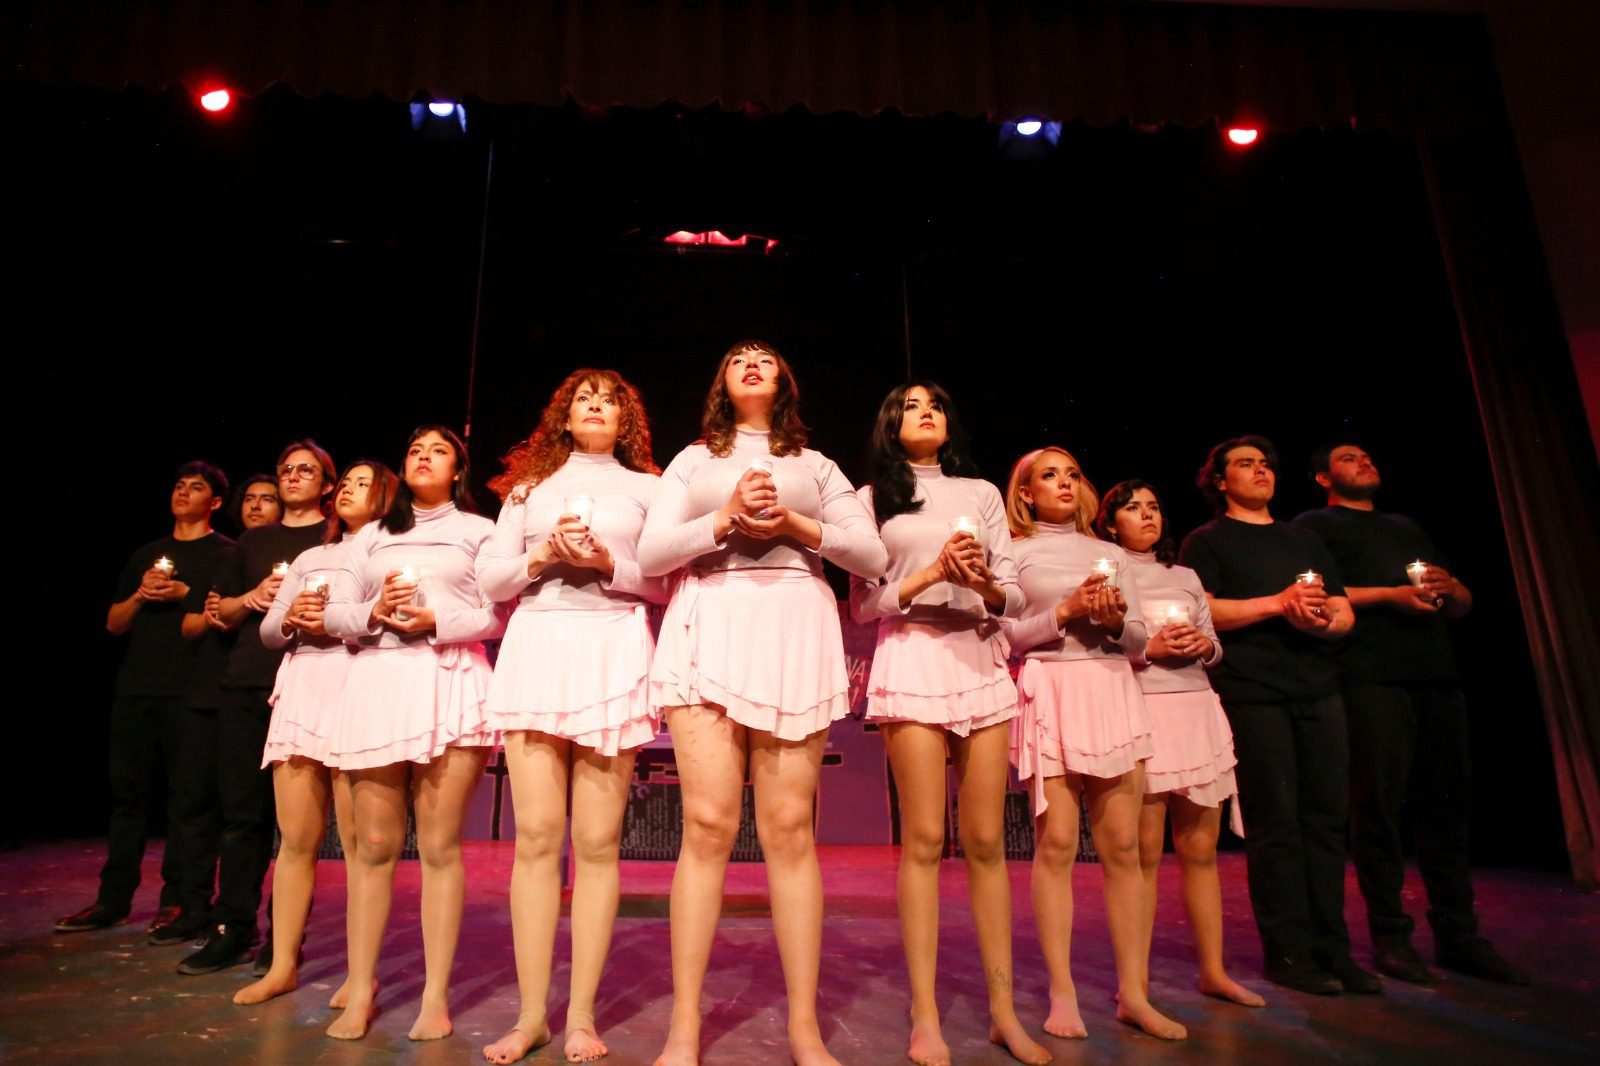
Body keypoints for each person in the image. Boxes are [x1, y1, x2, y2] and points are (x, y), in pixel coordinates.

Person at [637, 340, 887, 1066]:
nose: (750, 362)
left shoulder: (816, 465)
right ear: (721, 381)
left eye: (765, 357)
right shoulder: (692, 461)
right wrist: (724, 520)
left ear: (783, 380)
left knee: (788, 829)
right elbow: (653, 556)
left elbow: (869, 557)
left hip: (794, 628)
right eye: (736, 357)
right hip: (710, 617)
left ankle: (804, 1026)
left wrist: (793, 527)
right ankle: (685, 1026)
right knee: (709, 824)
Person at [849, 381, 1049, 1066]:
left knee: (989, 839)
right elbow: (864, 606)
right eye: (908, 404)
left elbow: (1014, 595)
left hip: (979, 655)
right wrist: (931, 571)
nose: (925, 410)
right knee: (927, 839)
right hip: (911, 655)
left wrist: (984, 582)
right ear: (890, 424)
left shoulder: (983, 492)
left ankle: (1001, 1010)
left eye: (935, 402)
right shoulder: (871, 497)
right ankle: (925, 1013)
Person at [478, 370, 665, 1064]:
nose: (595, 404)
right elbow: (491, 581)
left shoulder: (649, 488)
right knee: (535, 837)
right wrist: (541, 554)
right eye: (583, 396)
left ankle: (581, 1015)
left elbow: (665, 579)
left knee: (596, 843)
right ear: (563, 415)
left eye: (611, 397)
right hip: (537, 644)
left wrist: (606, 560)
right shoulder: (529, 491)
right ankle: (531, 1016)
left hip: (613, 645)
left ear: (627, 421)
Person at [1294, 443, 1525, 984]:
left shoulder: (1406, 526)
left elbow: (1462, 599)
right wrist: (1393, 595)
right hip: (1371, 678)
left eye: (1369, 457)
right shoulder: (1315, 526)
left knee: (1447, 808)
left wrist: (1453, 590)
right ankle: (1391, 936)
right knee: (1377, 808)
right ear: (1324, 475)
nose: (1366, 462)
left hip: (1436, 676)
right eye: (1350, 458)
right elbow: (1322, 592)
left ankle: (1458, 935)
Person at [323, 424, 506, 1042]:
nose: (424, 457)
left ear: (458, 468)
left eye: (439, 450)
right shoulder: (373, 536)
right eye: (414, 450)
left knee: (438, 845)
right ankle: (359, 988)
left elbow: (499, 613)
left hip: (451, 681)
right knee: (373, 844)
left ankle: (434, 996)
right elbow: (335, 610)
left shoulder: (482, 532)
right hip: (376, 681)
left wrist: (439, 619)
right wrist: (371, 613)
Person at [1178, 435, 1375, 995]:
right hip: (1255, 692)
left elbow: (1338, 606)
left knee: (1326, 822)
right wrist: (1277, 605)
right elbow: (1204, 610)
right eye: (1245, 464)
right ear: (1220, 480)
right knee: (1277, 826)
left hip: (1318, 687)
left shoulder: (1303, 538)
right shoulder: (1207, 541)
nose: (1260, 471)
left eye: (1266, 463)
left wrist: (1325, 624)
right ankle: (1288, 954)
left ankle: (1333, 949)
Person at [1002, 447, 1184, 1040]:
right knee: (1057, 843)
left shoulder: (1109, 553)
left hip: (1110, 683)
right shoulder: (1015, 550)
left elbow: (1135, 640)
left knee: (1124, 848)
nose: (1063, 483)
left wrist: (1109, 620)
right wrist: (1065, 609)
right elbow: (1006, 636)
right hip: (1052, 684)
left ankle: (1135, 992)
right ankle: (1062, 992)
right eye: (1048, 475)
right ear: (1025, 492)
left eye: (1072, 474)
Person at [232, 459, 399, 1006]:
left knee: (358, 845)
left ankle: (360, 973)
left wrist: (335, 620)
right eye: (344, 482)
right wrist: (291, 616)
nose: (348, 489)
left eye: (362, 483)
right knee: (295, 839)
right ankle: (282, 964)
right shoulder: (310, 556)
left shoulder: (389, 550)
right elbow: (267, 630)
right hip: (304, 685)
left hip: (359, 683)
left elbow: (387, 616)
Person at [1096, 479, 1264, 1008]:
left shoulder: (1186, 576)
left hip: (1196, 709)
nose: (1147, 516)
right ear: (1110, 521)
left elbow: (1214, 644)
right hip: (1144, 708)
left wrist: (1201, 646)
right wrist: (1149, 649)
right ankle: (1135, 987)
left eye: (1154, 506)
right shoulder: (1106, 571)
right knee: (1144, 852)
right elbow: (1099, 648)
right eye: (1133, 508)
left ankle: (1212, 970)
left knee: (1201, 850)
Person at [55, 462, 233, 940]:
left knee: (187, 802)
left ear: (214, 502)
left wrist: (184, 593)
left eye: (196, 487)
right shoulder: (147, 554)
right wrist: (141, 593)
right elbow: (114, 623)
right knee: (126, 796)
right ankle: (112, 900)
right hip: (136, 688)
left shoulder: (224, 554)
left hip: (190, 691)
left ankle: (178, 901)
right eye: (178, 484)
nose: (183, 492)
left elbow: (225, 613)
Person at [179, 441, 337, 975]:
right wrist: (255, 596)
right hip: (247, 682)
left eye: (305, 471)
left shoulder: (337, 538)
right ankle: (232, 928)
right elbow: (216, 611)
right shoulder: (252, 540)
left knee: (299, 828)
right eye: (286, 470)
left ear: (327, 485)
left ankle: (284, 938)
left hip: (311, 685)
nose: (293, 478)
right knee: (242, 816)